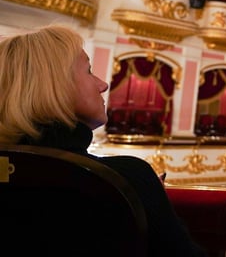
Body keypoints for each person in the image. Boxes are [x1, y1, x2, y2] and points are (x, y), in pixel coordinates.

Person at [0, 24, 206, 257]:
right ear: (54, 86)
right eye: (88, 71)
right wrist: (144, 189)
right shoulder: (125, 177)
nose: (103, 85)